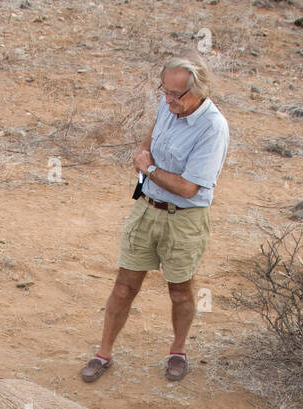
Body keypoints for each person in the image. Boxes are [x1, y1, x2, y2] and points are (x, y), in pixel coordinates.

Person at [80, 56, 229, 384]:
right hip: (147, 208)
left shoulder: (213, 127)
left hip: (184, 220)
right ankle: (103, 353)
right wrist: (143, 156)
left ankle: (178, 351)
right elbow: (149, 142)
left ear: (200, 90)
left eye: (178, 95)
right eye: (165, 92)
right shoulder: (168, 107)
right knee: (123, 287)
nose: (169, 101)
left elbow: (189, 187)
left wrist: (148, 169)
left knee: (180, 292)